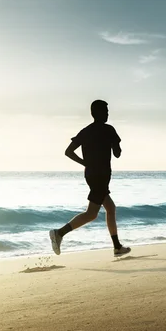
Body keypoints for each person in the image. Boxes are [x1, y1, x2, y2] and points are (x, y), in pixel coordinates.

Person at [49, 100, 131, 257]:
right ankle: (59, 233)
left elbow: (68, 151)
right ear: (97, 113)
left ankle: (117, 247)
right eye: (105, 111)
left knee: (110, 209)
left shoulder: (86, 131)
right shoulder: (109, 130)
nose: (107, 114)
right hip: (100, 176)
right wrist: (116, 143)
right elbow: (117, 154)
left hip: (92, 175)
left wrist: (85, 163)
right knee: (92, 213)